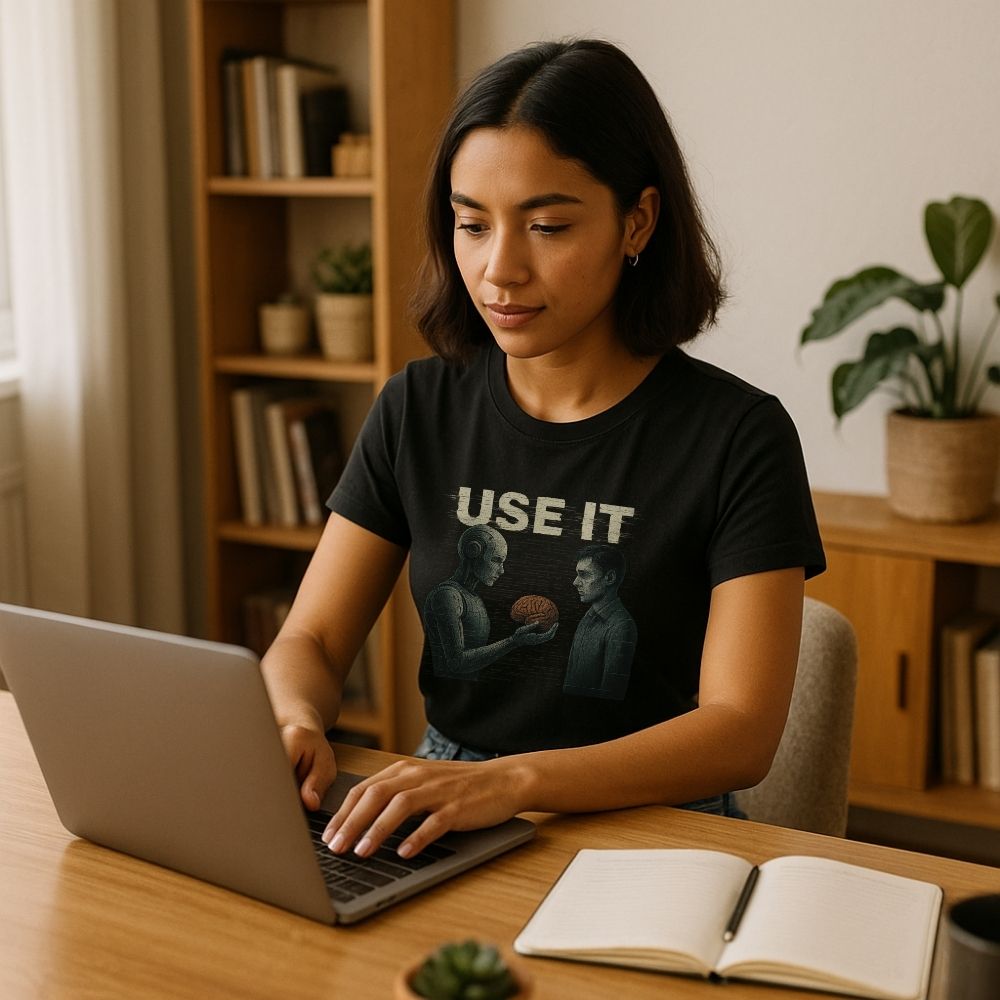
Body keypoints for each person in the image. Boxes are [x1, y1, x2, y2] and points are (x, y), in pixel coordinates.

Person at [260, 38, 825, 862]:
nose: (499, 270)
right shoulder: (417, 407)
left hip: (657, 826)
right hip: (445, 805)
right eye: (471, 225)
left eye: (548, 225)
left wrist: (515, 783)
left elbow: (739, 733)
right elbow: (308, 641)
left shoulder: (737, 436)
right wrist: (294, 717)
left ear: (637, 221)